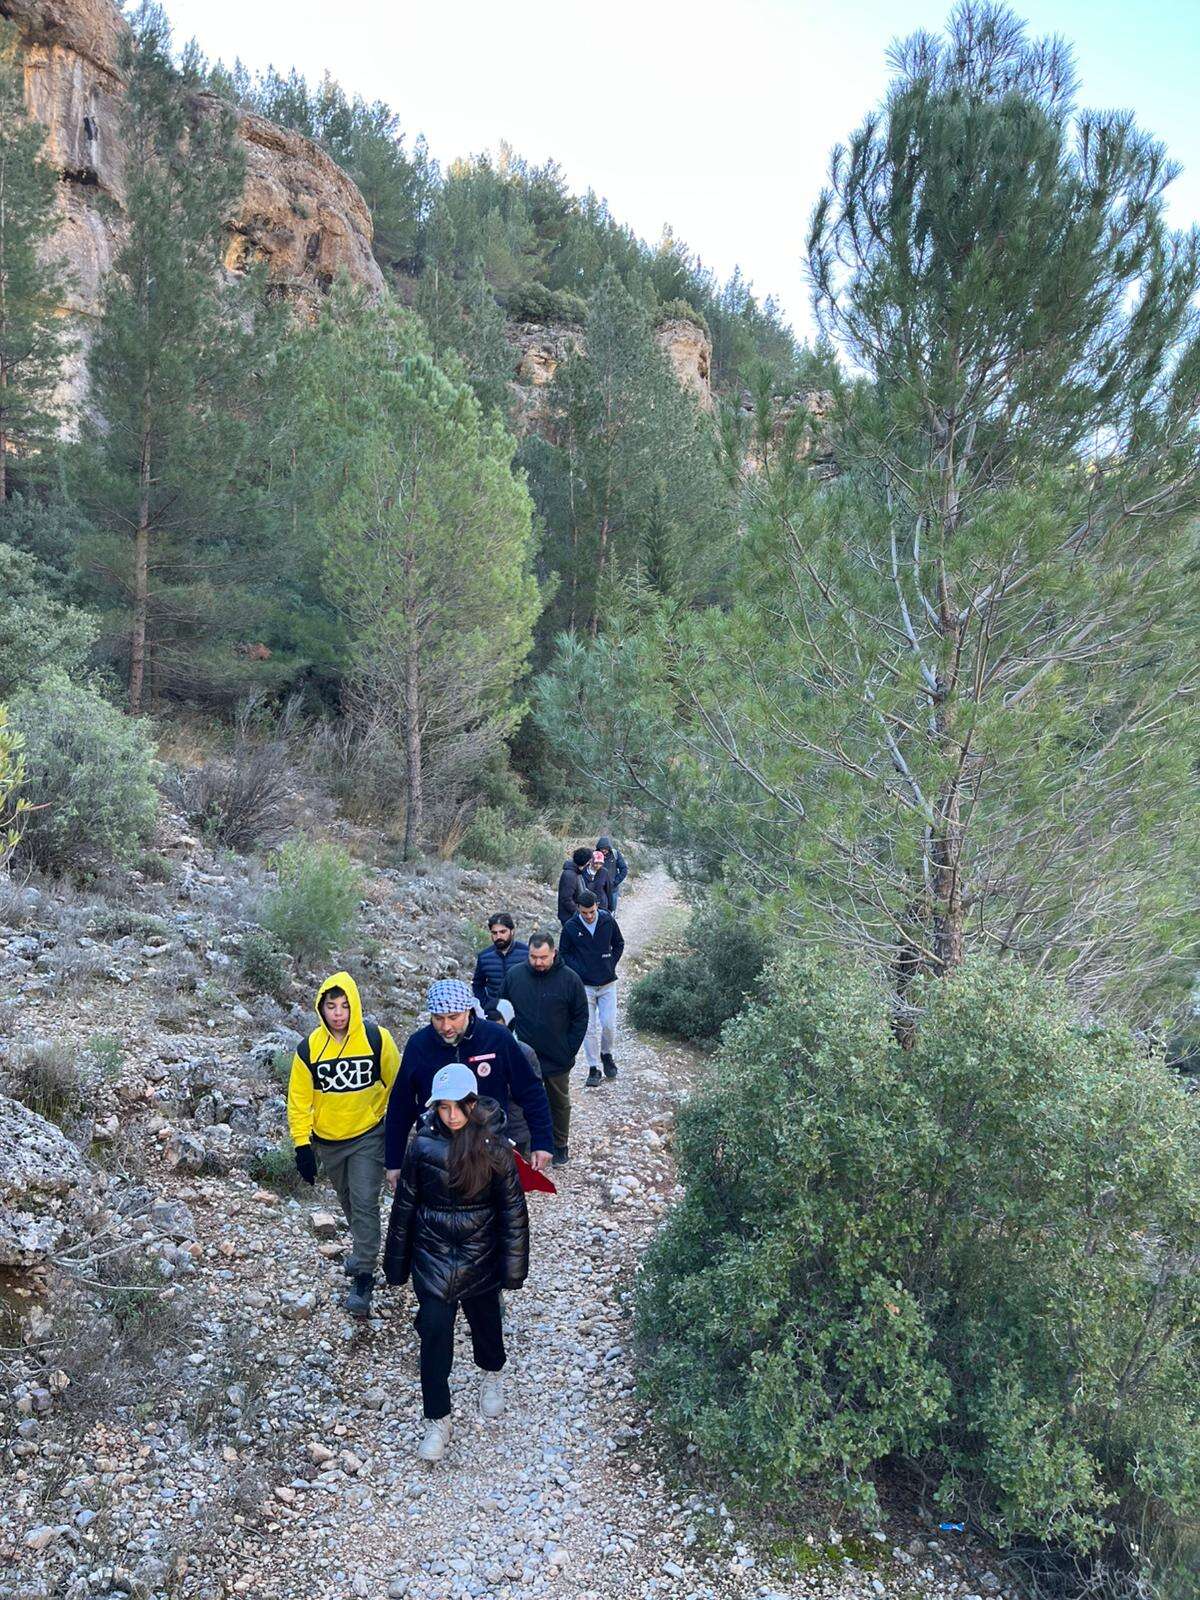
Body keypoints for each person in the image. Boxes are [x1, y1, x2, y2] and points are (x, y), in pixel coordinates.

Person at [383, 1064, 529, 1462]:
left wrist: (512, 1268)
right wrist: (395, 1263)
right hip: (432, 1257)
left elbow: (513, 1211)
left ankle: (492, 1373)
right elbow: (405, 1204)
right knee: (432, 1334)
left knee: (486, 1325)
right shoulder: (422, 1145)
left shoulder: (495, 1148)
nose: (451, 1115)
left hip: (479, 1257)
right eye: (443, 1107)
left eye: (458, 1106)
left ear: (472, 1103)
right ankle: (438, 1418)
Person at [286, 972, 401, 1317]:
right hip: (329, 1142)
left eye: (345, 1006)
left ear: (355, 1006)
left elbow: (398, 1082)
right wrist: (301, 1145)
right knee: (349, 1201)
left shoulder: (376, 1039)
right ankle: (362, 1249)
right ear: (320, 1008)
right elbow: (298, 1099)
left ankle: (364, 1275)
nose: (338, 1013)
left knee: (365, 1202)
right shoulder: (308, 1048)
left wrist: (389, 1124)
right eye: (331, 1006)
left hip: (368, 1135)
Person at [385, 979, 553, 1188]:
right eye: (438, 1018)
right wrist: (394, 1161)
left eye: (453, 1018)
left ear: (468, 1011)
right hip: (436, 1151)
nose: (446, 1026)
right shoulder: (419, 1045)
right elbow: (401, 1105)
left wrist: (543, 1141)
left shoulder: (497, 1038)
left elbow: (530, 1091)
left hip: (488, 1147)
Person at [499, 933, 588, 1166]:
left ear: (554, 953)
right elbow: (502, 1010)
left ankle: (560, 1145)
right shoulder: (514, 976)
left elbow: (581, 1017)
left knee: (558, 1102)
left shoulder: (570, 979)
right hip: (523, 1057)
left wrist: (569, 1049)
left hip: (557, 1057)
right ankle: (527, 1146)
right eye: (533, 957)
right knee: (522, 1102)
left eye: (543, 957)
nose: (538, 962)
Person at [559, 889, 625, 1087]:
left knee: (608, 1024)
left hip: (607, 983)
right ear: (578, 909)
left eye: (592, 912)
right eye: (584, 912)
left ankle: (606, 1054)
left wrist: (610, 963)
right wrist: (578, 971)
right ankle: (593, 1067)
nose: (588, 916)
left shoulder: (607, 921)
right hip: (584, 986)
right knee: (588, 1028)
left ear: (597, 906)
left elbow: (619, 943)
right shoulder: (570, 927)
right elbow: (564, 953)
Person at [484, 998, 543, 1156]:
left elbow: (533, 1095)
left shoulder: (524, 1053)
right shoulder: (478, 1054)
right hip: (485, 1130)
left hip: (516, 1129)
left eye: (499, 1028)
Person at [472, 913, 529, 1011]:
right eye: (494, 933)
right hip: (495, 1011)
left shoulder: (526, 953)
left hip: (523, 1010)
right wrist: (485, 1005)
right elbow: (477, 984)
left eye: (503, 932)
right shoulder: (484, 956)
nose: (498, 936)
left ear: (512, 931)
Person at [557, 846, 593, 926]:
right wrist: (580, 913)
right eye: (589, 862)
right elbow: (566, 899)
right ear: (585, 862)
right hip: (569, 918)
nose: (589, 864)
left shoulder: (576, 872)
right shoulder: (570, 875)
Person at [595, 836, 629, 912]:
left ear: (609, 848)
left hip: (613, 889)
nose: (603, 850)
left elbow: (624, 869)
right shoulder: (595, 856)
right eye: (601, 848)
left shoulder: (615, 854)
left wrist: (615, 882)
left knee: (612, 909)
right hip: (599, 890)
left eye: (605, 848)